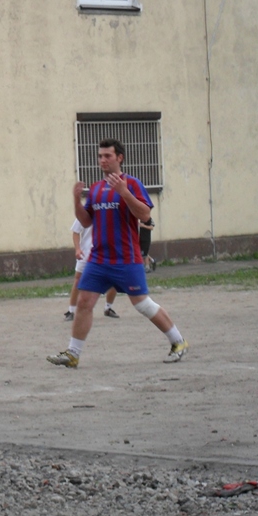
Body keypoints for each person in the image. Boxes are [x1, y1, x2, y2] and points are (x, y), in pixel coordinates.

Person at [47, 139, 188, 369]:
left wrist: (124, 193)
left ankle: (178, 342)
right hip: (98, 259)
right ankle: (73, 353)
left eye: (107, 156)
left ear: (119, 158)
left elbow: (145, 215)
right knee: (83, 302)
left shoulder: (132, 183)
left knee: (142, 304)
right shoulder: (95, 188)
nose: (102, 160)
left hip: (126, 259)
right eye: (100, 156)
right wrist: (76, 201)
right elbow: (86, 221)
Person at [64, 216, 119, 321]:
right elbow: (76, 232)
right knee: (78, 280)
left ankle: (108, 308)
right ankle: (71, 311)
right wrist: (77, 249)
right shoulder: (85, 213)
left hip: (106, 252)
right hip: (86, 253)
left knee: (115, 279)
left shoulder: (110, 211)